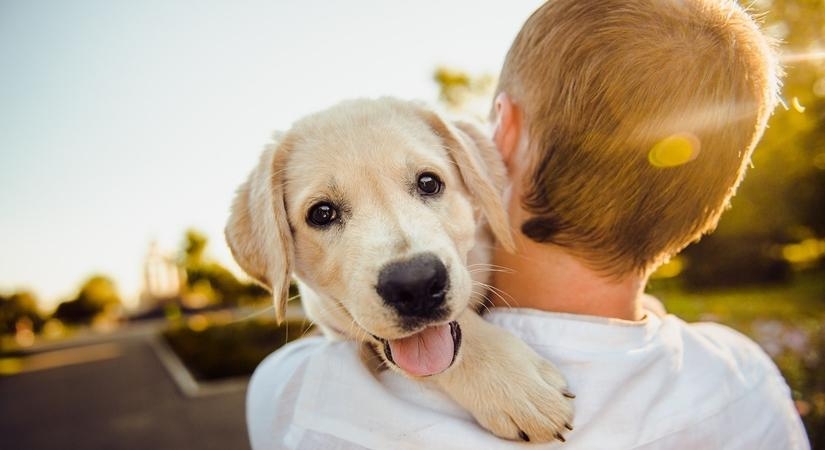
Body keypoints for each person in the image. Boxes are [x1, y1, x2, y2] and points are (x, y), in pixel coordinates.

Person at [246, 0, 810, 448]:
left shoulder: (300, 398)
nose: (409, 260)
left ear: (501, 136)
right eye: (325, 214)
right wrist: (467, 355)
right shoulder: (747, 383)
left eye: (427, 184)